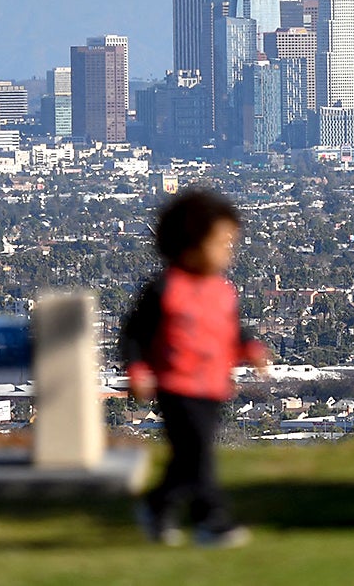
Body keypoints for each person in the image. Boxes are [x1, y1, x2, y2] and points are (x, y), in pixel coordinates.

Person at [119, 189, 269, 548]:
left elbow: (233, 327)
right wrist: (137, 370)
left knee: (188, 457)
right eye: (220, 243)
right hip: (176, 387)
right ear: (188, 244)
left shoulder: (222, 291)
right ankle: (211, 521)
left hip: (213, 386)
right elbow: (134, 334)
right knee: (199, 453)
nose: (227, 252)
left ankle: (158, 506)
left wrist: (250, 348)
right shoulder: (164, 290)